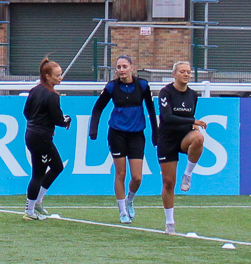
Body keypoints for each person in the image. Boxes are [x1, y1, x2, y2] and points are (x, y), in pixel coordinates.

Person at [88, 55, 157, 224]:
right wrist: (93, 129)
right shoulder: (112, 87)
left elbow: (150, 109)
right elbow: (97, 108)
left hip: (136, 134)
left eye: (124, 66)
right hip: (117, 133)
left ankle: (129, 200)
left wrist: (156, 133)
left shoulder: (142, 85)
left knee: (137, 177)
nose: (121, 70)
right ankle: (122, 211)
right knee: (120, 173)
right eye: (118, 67)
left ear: (132, 67)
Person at [153, 61, 210, 233]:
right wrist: (193, 121)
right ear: (174, 74)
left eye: (188, 72)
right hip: (167, 139)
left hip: (184, 136)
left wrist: (192, 124)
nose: (186, 74)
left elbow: (188, 117)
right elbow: (168, 118)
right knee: (169, 182)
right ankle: (170, 222)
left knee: (199, 138)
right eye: (182, 71)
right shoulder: (166, 92)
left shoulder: (192, 95)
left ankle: (188, 174)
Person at [22, 59, 70, 220]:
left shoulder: (35, 90)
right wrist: (66, 120)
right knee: (38, 173)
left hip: (32, 134)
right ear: (47, 76)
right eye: (57, 75)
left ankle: (37, 201)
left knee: (57, 166)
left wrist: (42, 124)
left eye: (60, 74)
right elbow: (58, 119)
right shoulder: (52, 95)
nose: (60, 78)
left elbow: (26, 112)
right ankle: (29, 210)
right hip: (41, 138)